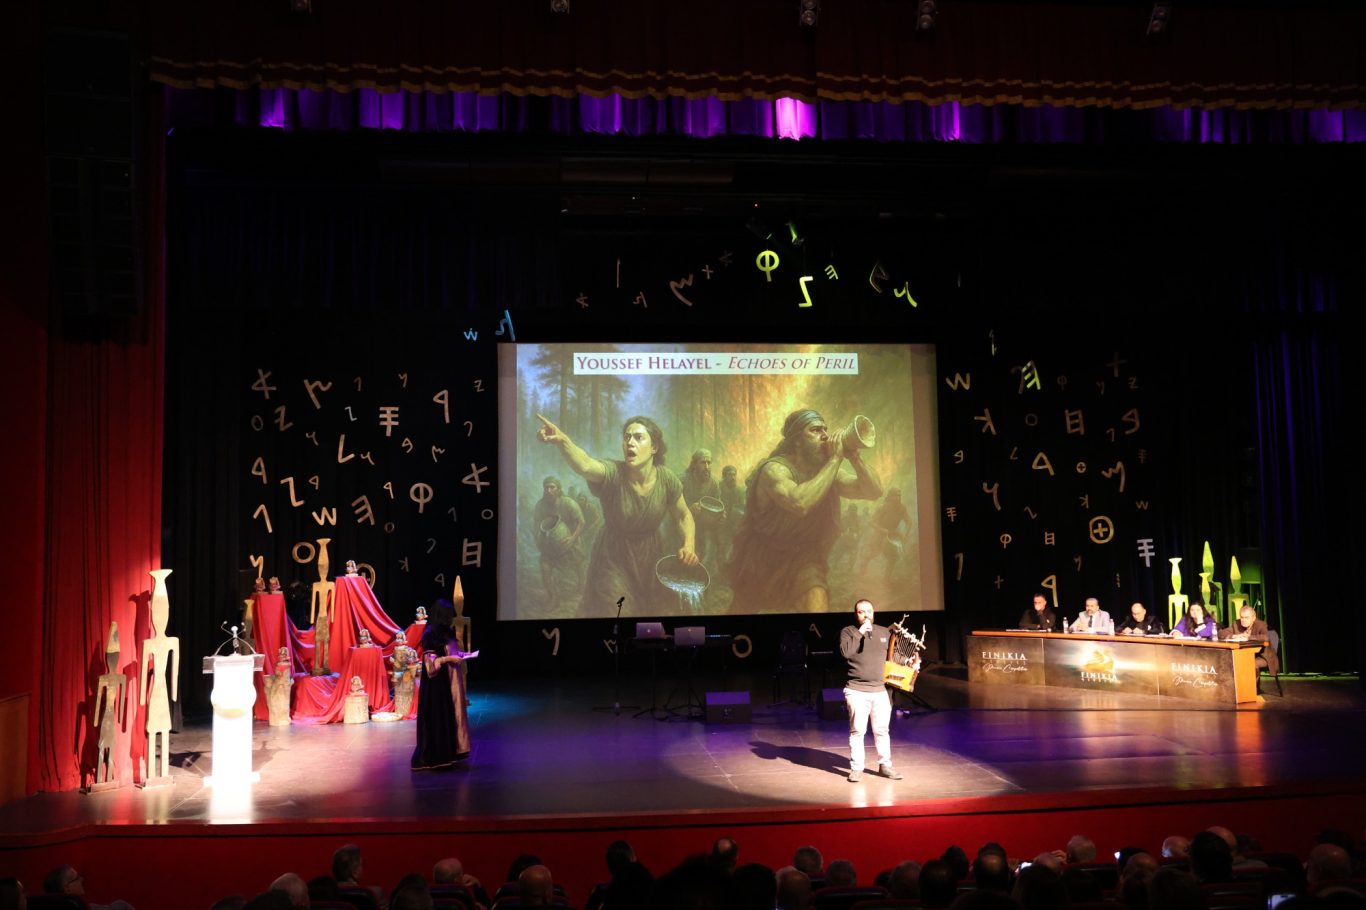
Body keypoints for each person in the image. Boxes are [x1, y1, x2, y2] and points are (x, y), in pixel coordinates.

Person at [537, 413, 697, 612]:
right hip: (613, 557)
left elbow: (683, 515)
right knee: (617, 610)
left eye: (638, 437)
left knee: (653, 611)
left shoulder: (667, 479)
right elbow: (585, 464)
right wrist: (562, 440)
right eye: (627, 437)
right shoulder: (613, 472)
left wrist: (689, 545)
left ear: (654, 447)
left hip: (651, 557)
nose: (630, 442)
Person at [727, 409, 883, 613]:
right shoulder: (774, 469)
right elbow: (800, 503)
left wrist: (854, 458)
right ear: (797, 441)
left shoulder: (825, 470)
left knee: (816, 602)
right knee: (741, 615)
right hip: (764, 558)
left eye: (825, 429)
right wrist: (835, 460)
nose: (825, 435)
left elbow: (873, 491)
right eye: (816, 430)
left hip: (804, 558)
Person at [411, 599, 478, 770]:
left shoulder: (447, 632)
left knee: (452, 714)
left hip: (451, 680)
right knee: (439, 716)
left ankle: (454, 750)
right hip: (438, 684)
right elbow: (430, 664)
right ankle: (437, 755)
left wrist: (462, 655)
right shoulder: (430, 634)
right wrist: (449, 659)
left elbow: (451, 651)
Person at [840, 599, 902, 782]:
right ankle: (857, 768)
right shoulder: (849, 632)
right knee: (857, 731)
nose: (866, 615)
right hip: (856, 690)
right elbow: (846, 652)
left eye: (869, 611)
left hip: (880, 690)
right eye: (861, 612)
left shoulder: (884, 632)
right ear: (856, 614)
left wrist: (911, 663)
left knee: (882, 730)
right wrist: (860, 633)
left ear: (874, 612)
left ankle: (885, 766)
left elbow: (894, 657)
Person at [533, 475, 585, 604]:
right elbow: (536, 525)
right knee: (545, 567)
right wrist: (540, 542)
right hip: (550, 543)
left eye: (552, 487)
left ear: (559, 489)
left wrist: (572, 539)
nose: (548, 490)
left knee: (579, 563)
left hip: (570, 539)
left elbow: (581, 522)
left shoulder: (568, 503)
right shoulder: (540, 505)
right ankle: (552, 597)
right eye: (546, 488)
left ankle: (582, 586)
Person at [682, 449, 723, 568]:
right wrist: (689, 510)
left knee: (703, 557)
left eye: (709, 463)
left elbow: (718, 505)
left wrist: (720, 516)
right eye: (703, 462)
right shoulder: (682, 480)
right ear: (694, 464)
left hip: (703, 528)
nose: (707, 467)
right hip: (681, 528)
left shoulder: (713, 483)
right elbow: (670, 508)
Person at [1220, 605, 1280, 675]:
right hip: (1243, 655)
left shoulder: (1260, 624)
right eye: (1242, 617)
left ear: (1253, 618)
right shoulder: (1236, 624)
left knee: (1250, 664)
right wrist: (1234, 636)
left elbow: (1265, 637)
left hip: (1262, 656)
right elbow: (1221, 633)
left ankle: (1252, 682)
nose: (1243, 620)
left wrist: (1248, 637)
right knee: (1228, 661)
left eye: (1246, 617)